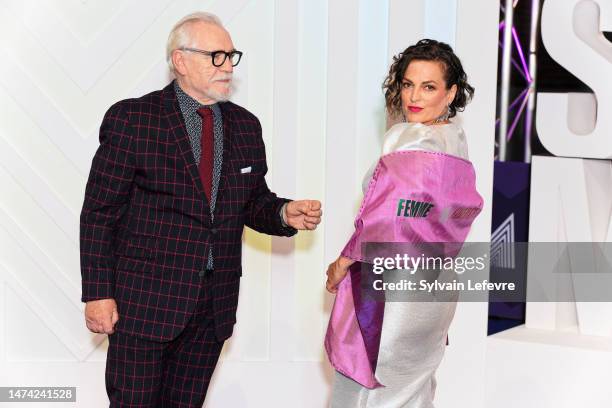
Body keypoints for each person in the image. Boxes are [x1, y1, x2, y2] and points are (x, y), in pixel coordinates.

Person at [80, 12, 322, 407]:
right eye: (216, 56)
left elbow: (252, 201)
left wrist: (283, 213)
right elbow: (99, 213)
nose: (227, 66)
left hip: (212, 306)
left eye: (231, 56)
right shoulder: (133, 119)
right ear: (180, 60)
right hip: (143, 303)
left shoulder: (246, 126)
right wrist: (98, 293)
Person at [324, 39, 482, 407]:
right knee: (412, 389)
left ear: (451, 92)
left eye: (429, 87)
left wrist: (343, 262)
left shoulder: (412, 137)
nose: (414, 96)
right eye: (408, 84)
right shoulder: (454, 139)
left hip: (395, 286)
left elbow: (387, 213)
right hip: (438, 285)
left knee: (368, 390)